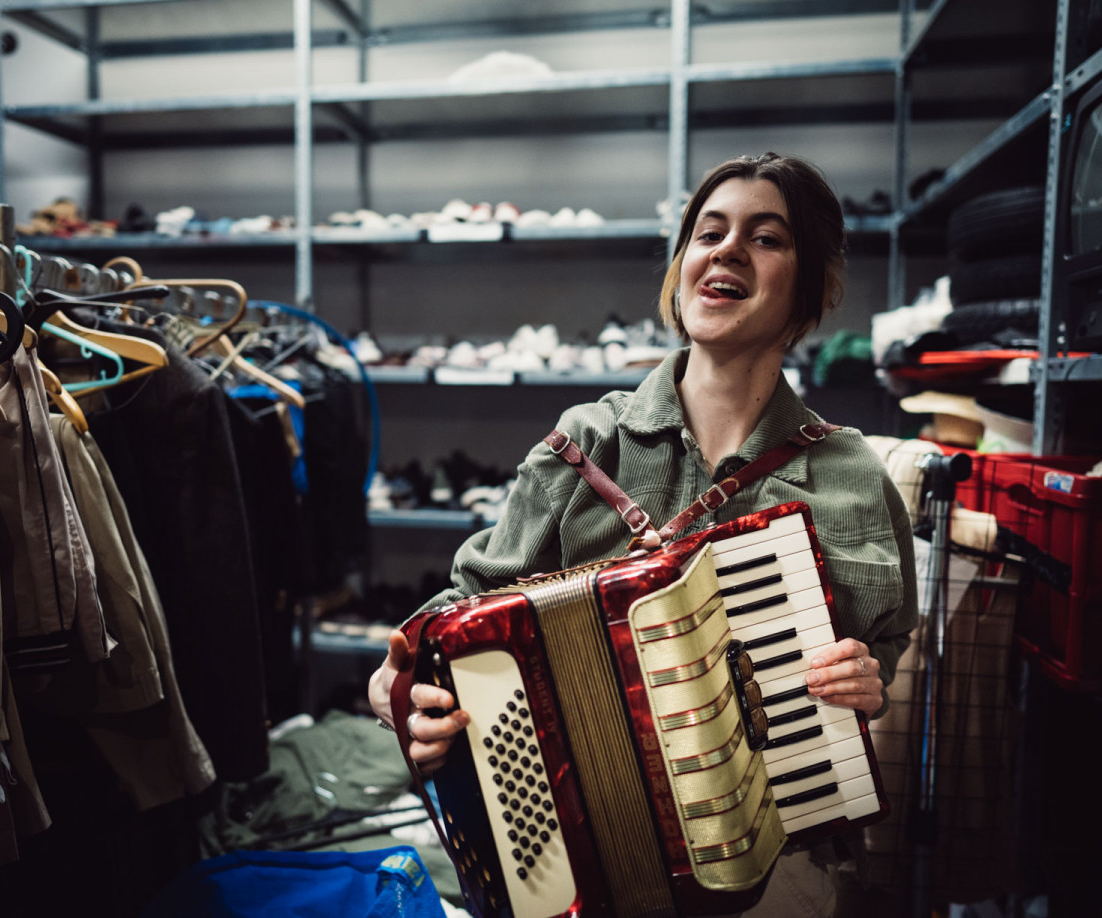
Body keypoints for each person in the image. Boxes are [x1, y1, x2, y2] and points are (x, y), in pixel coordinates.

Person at [368, 152, 919, 916]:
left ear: (811, 284)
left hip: (780, 848)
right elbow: (455, 613)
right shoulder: (585, 443)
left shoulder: (848, 468)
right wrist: (400, 691)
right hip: (578, 853)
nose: (726, 250)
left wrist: (867, 678)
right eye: (708, 232)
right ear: (682, 264)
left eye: (766, 238)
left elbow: (881, 648)